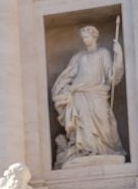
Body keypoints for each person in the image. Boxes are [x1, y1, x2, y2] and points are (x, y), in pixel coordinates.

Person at [51, 25, 125, 162]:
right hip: (79, 93)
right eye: (83, 37)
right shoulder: (78, 57)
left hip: (98, 93)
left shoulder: (103, 53)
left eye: (87, 37)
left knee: (103, 120)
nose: (85, 40)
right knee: (82, 122)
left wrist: (119, 55)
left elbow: (112, 76)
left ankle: (104, 149)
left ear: (94, 37)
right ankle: (85, 150)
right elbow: (68, 75)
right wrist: (62, 88)